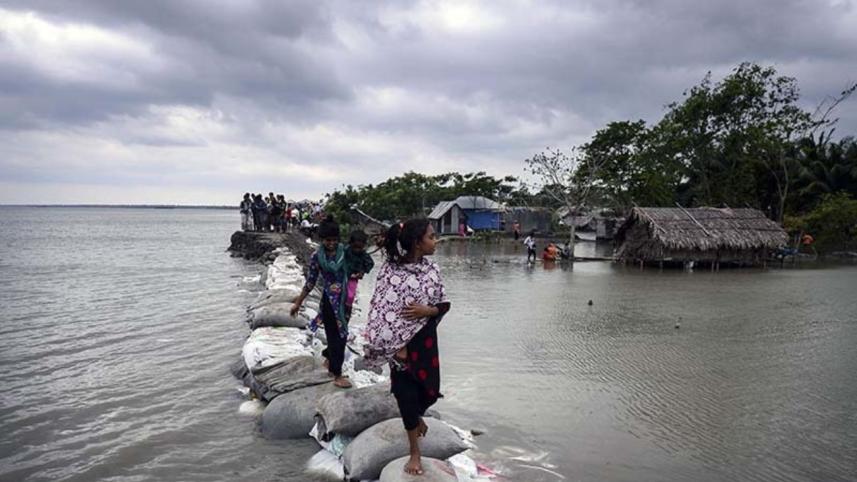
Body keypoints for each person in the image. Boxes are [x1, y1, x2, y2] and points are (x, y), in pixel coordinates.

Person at [363, 219, 451, 476]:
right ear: (416, 243)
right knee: (405, 396)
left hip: (425, 343)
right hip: (398, 349)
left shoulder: (432, 270)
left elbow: (443, 304)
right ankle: (415, 452)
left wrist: (428, 310)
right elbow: (380, 311)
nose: (436, 241)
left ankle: (417, 417)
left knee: (430, 392)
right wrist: (395, 346)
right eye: (432, 237)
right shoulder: (390, 272)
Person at [290, 215, 352, 389]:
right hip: (329, 303)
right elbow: (310, 281)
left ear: (338, 239)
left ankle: (329, 359)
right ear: (321, 239)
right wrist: (298, 302)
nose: (331, 244)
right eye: (327, 240)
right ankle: (337, 374)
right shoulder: (317, 256)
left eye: (334, 240)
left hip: (344, 301)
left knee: (343, 334)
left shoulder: (345, 252)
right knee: (336, 337)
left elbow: (360, 261)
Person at [343, 229, 375, 321]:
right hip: (342, 276)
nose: (357, 250)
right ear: (351, 243)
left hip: (353, 278)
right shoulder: (345, 251)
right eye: (355, 247)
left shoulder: (363, 255)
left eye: (360, 248)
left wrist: (362, 272)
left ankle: (347, 315)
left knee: (350, 296)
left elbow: (370, 263)